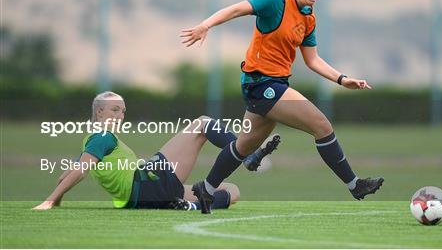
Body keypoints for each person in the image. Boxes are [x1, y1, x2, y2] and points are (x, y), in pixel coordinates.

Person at [181, 0, 384, 214]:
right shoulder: (275, 1)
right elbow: (234, 10)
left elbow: (312, 60)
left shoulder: (308, 17)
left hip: (274, 83)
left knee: (243, 146)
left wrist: (342, 79)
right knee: (321, 125)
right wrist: (204, 25)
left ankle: (206, 190)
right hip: (261, 84)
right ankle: (355, 184)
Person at [33, 91, 280, 211]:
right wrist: (51, 199)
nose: (121, 115)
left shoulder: (92, 141)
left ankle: (191, 206)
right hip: (148, 182)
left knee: (233, 191)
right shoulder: (102, 137)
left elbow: (71, 172)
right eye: (115, 110)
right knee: (203, 123)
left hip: (144, 198)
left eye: (123, 110)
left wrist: (58, 195)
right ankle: (248, 156)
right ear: (99, 113)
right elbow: (80, 171)